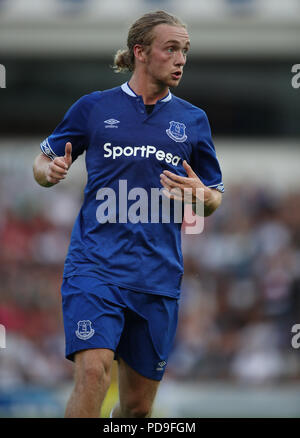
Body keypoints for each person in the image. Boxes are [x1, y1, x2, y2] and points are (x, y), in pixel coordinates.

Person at [33, 10, 224, 418]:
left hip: (157, 277)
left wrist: (202, 197)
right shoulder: (94, 107)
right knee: (93, 374)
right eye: (171, 49)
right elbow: (42, 160)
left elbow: (213, 196)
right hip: (95, 267)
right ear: (140, 52)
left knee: (137, 409)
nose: (181, 59)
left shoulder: (193, 121)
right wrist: (48, 172)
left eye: (185, 51)